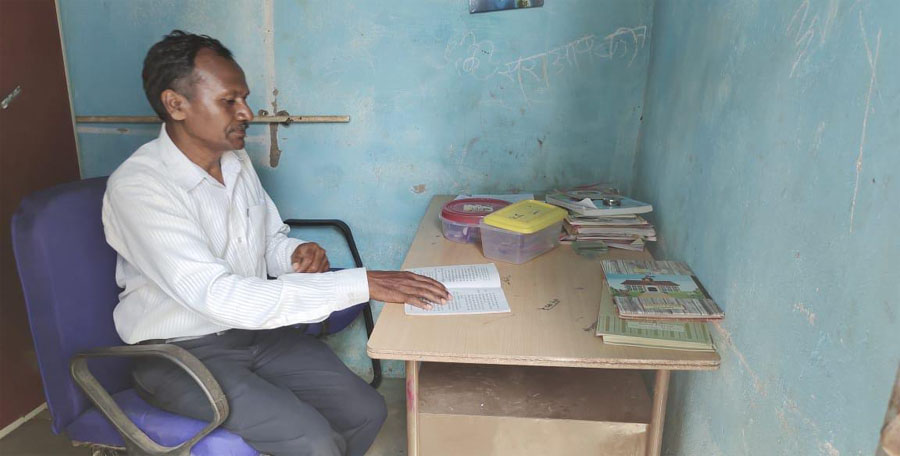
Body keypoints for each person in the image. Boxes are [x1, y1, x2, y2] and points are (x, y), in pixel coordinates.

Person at [102, 30, 450, 456]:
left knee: (366, 411)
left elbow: (268, 240)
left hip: (252, 333)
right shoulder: (140, 188)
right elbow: (217, 295)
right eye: (229, 101)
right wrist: (360, 283)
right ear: (176, 104)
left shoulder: (235, 160)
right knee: (312, 441)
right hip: (179, 354)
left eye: (244, 98)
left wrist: (293, 254)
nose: (246, 112)